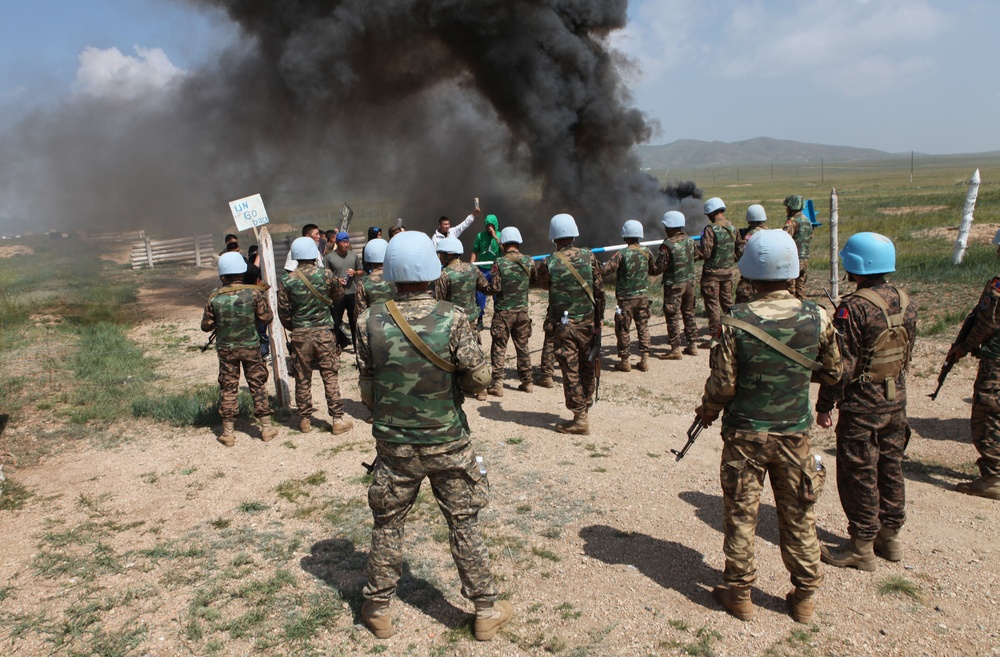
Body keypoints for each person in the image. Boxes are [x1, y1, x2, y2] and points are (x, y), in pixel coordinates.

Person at [356, 231, 512, 642]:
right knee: (463, 523)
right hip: (448, 441)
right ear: (432, 267)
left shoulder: (368, 319)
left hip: (394, 445)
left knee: (387, 524)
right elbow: (480, 377)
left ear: (391, 271)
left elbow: (367, 386)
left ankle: (378, 609)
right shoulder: (454, 317)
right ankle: (485, 611)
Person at [697, 229, 841, 625]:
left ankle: (740, 595)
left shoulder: (736, 321)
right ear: (792, 269)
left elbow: (723, 385)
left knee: (742, 514)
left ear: (749, 274)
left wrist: (706, 412)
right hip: (794, 435)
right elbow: (834, 371)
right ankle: (805, 598)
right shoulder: (817, 316)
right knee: (799, 515)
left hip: (745, 436)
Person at [817, 232, 918, 568]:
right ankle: (890, 540)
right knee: (891, 468)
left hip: (862, 405)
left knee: (858, 472)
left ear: (854, 265)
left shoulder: (854, 308)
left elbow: (840, 368)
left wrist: (824, 404)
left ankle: (861, 547)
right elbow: (906, 351)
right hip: (896, 401)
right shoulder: (904, 300)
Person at [534, 213, 605, 434]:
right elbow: (600, 291)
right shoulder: (590, 257)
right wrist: (599, 318)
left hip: (564, 326)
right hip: (588, 323)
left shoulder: (549, 262)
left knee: (570, 370)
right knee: (587, 364)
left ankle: (580, 416)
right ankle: (585, 403)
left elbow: (544, 285)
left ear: (554, 236)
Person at [944, 228, 1000, 500]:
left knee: (987, 414)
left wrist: (963, 347)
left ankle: (993, 477)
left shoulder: (998, 286)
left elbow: (986, 324)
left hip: (997, 363)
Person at [278, 236, 353, 435]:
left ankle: (304, 420)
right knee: (330, 376)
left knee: (302, 377)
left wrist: (296, 326)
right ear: (314, 254)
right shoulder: (326, 275)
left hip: (300, 335)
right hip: (324, 333)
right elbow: (338, 296)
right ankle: (337, 420)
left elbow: (283, 312)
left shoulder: (287, 280)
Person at [200, 252, 277, 446]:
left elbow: (206, 326)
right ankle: (266, 428)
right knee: (257, 384)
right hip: (251, 346)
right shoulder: (254, 293)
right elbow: (267, 318)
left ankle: (228, 433)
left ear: (222, 274)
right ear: (242, 272)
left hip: (226, 350)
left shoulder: (215, 297)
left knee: (228, 387)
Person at [486, 227, 535, 396]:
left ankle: (497, 384)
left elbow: (496, 287)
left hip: (503, 312)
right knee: (523, 346)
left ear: (504, 243)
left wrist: (486, 288)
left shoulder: (499, 263)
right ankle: (527, 381)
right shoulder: (529, 261)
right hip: (522, 311)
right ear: (518, 242)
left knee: (499, 347)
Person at [602, 219, 657, 372]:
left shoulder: (621, 255)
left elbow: (606, 270)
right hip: (642, 298)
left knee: (623, 329)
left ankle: (625, 361)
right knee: (643, 327)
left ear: (625, 236)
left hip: (625, 299)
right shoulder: (647, 252)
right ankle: (644, 360)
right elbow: (653, 269)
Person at [656, 211, 699, 360]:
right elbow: (697, 255)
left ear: (669, 227)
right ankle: (692, 344)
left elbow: (659, 267)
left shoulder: (667, 245)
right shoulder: (690, 240)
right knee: (689, 312)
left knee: (672, 315)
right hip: (690, 283)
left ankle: (675, 349)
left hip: (674, 285)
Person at [697, 197, 738, 348]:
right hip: (727, 273)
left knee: (713, 305)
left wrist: (695, 252)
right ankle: (733, 333)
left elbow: (705, 253)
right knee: (728, 304)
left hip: (712, 275)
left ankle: (716, 336)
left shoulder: (710, 229)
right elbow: (739, 248)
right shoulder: (733, 227)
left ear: (710, 213)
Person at [434, 237, 491, 342]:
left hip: (453, 324)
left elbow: (440, 304)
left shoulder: (444, 275)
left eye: (441, 254)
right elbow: (486, 288)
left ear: (449, 255)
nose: (439, 258)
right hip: (471, 322)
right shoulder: (473, 268)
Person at [324, 231, 364, 350]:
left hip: (352, 292)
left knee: (354, 320)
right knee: (336, 321)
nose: (346, 245)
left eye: (347, 242)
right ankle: (336, 346)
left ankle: (357, 346)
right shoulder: (329, 257)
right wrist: (336, 280)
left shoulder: (353, 255)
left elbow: (361, 271)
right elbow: (324, 275)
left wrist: (355, 273)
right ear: (337, 243)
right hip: (337, 294)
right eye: (343, 242)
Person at [470, 214, 502, 331]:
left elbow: (504, 250)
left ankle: (497, 319)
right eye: (487, 225)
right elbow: (475, 251)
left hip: (495, 270)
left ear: (495, 225)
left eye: (492, 225)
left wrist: (495, 237)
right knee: (480, 295)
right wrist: (472, 266)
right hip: (482, 269)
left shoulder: (500, 235)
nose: (489, 227)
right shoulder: (480, 236)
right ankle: (480, 319)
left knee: (497, 295)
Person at [734, 204, 768, 304]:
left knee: (742, 295)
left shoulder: (750, 234)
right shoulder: (769, 231)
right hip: (767, 272)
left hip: (752, 273)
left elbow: (741, 252)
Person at [783, 195, 813, 299]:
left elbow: (785, 237)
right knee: (801, 289)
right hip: (805, 259)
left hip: (794, 260)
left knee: (790, 290)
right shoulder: (807, 221)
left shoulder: (792, 221)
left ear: (791, 207)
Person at [355, 238, 394, 315]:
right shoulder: (396, 278)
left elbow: (359, 312)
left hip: (374, 323)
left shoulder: (363, 283)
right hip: (396, 322)